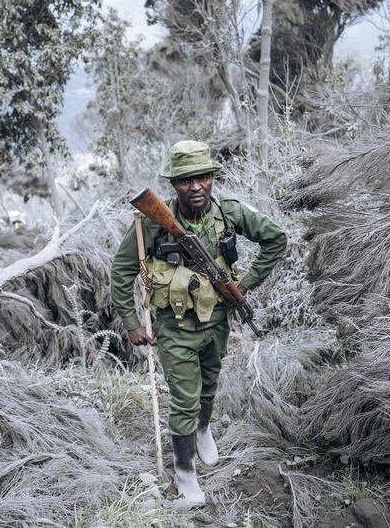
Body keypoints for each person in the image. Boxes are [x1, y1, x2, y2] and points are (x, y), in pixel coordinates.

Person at [110, 140, 287, 506]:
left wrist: (244, 284)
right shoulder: (152, 222)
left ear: (212, 178)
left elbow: (275, 239)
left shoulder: (230, 212)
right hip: (174, 328)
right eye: (186, 180)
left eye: (203, 177)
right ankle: (185, 474)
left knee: (209, 388)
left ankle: (204, 429)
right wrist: (130, 321)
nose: (196, 187)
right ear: (174, 185)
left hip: (217, 321)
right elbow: (123, 269)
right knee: (185, 401)